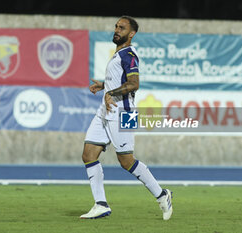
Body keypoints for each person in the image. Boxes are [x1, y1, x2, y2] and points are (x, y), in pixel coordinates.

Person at [80, 16, 173, 220]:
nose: (117, 30)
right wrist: (104, 86)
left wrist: (110, 93)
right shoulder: (118, 54)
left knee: (126, 161)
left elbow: (134, 84)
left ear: (131, 34)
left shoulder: (129, 54)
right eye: (116, 26)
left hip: (124, 112)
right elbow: (120, 81)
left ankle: (162, 194)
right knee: (88, 154)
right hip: (106, 110)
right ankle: (101, 204)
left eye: (122, 28)